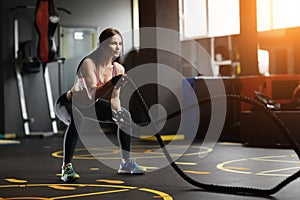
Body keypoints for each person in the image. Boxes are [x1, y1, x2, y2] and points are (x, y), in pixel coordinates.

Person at [55, 28, 146, 182]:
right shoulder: (88, 63)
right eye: (113, 44)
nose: (118, 47)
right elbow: (92, 95)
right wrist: (112, 82)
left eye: (120, 44)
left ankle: (125, 163)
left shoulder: (118, 69)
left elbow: (114, 98)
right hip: (69, 103)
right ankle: (66, 167)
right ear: (103, 45)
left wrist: (117, 113)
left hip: (91, 106)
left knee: (125, 114)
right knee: (77, 118)